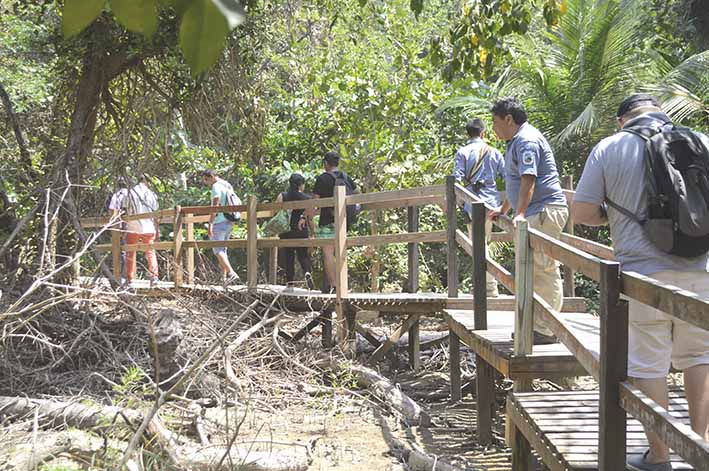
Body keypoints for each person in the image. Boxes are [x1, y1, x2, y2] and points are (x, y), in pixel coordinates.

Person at [571, 94, 709, 471]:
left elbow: (581, 212)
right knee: (699, 355)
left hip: (641, 274)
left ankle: (660, 456)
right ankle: (700, 450)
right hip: (701, 271)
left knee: (648, 365)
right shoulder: (699, 140)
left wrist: (613, 215)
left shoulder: (611, 147)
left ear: (622, 121)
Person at [488, 97, 569, 344]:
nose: (493, 128)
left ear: (509, 119)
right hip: (534, 210)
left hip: (543, 211)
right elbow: (516, 182)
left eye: (495, 122)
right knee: (531, 272)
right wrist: (503, 208)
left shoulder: (526, 140)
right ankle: (534, 325)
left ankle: (546, 330)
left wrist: (519, 212)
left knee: (544, 269)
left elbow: (528, 179)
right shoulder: (515, 141)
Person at [453, 117, 506, 297]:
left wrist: (453, 201)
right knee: (484, 242)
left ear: (467, 134)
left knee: (477, 244)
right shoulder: (493, 151)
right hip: (491, 203)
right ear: (482, 133)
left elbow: (456, 180)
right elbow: (506, 175)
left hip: (470, 203)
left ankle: (487, 287)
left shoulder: (462, 152)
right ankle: (489, 286)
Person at [310, 151, 358, 293]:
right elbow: (357, 194)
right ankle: (344, 284)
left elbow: (314, 202)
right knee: (341, 250)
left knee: (328, 252)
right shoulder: (345, 176)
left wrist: (305, 216)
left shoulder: (322, 178)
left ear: (325, 163)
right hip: (344, 220)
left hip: (328, 219)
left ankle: (334, 285)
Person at [275, 173, 315, 289]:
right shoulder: (307, 198)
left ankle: (290, 283)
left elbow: (275, 211)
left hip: (286, 230)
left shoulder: (282, 196)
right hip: (301, 230)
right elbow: (310, 218)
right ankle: (307, 272)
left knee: (289, 256)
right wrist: (312, 232)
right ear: (301, 185)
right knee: (303, 255)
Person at [202, 169, 240, 285]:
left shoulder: (216, 186)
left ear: (210, 177)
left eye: (206, 180)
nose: (205, 182)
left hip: (220, 221)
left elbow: (215, 204)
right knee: (223, 250)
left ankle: (231, 274)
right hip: (229, 220)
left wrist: (210, 224)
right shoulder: (227, 184)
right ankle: (224, 279)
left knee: (217, 250)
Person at [124, 174, 160, 286]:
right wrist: (157, 228)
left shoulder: (130, 193)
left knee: (130, 251)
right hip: (148, 226)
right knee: (150, 252)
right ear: (147, 182)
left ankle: (129, 278)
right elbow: (156, 213)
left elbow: (126, 209)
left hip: (133, 225)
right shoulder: (151, 194)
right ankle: (154, 276)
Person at [107, 177, 128, 282]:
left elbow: (112, 210)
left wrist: (112, 224)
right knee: (129, 250)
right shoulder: (131, 194)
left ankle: (122, 275)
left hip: (120, 226)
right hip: (133, 225)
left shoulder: (117, 195)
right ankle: (128, 275)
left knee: (121, 250)